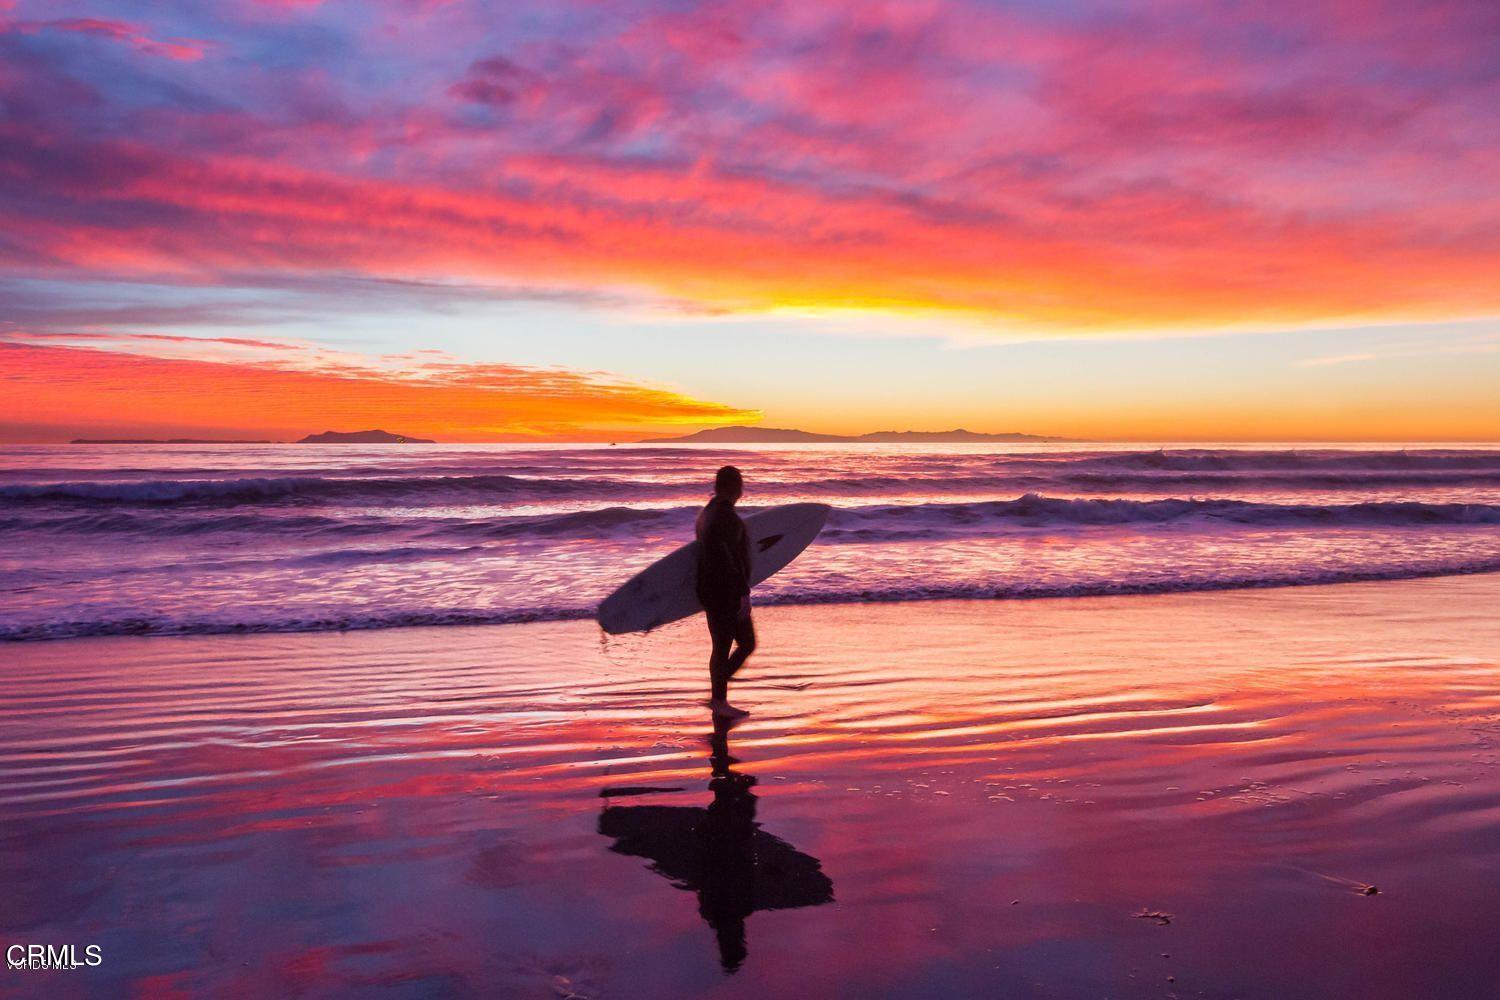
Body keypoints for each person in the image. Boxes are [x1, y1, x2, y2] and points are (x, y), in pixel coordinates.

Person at [695, 465, 755, 718]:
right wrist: (743, 594)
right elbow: (729, 558)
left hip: (709, 588)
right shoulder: (727, 517)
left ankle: (718, 696)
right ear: (735, 487)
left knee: (721, 646)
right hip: (726, 591)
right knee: (745, 643)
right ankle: (718, 698)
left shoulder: (707, 512)